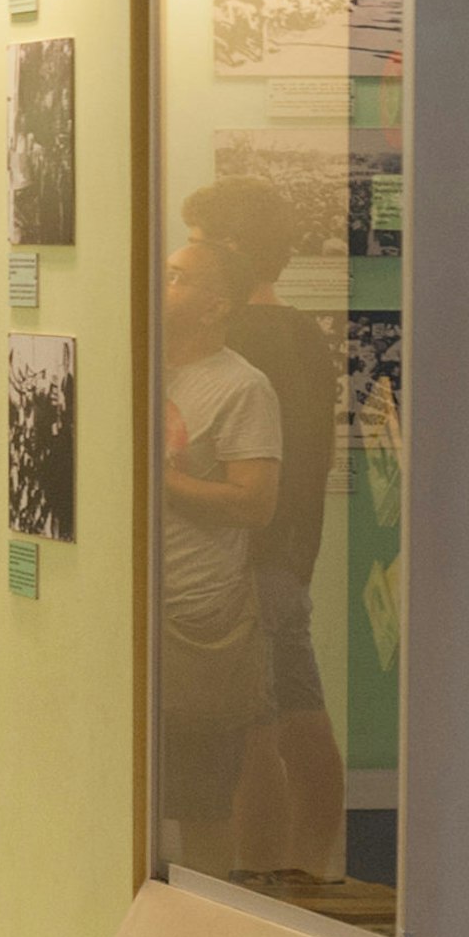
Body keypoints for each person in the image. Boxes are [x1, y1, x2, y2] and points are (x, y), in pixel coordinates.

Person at [184, 180, 345, 883]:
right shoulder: (301, 334)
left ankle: (265, 885)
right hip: (286, 552)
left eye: (197, 241)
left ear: (232, 250)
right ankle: (312, 875)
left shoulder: (244, 342)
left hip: (250, 558)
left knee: (254, 730)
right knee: (298, 718)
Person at [158, 238, 285, 875]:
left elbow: (254, 503)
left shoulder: (243, 387)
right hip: (132, 622)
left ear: (215, 307)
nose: (162, 281)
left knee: (201, 807)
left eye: (178, 277)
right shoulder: (143, 363)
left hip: (196, 623)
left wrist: (163, 481)